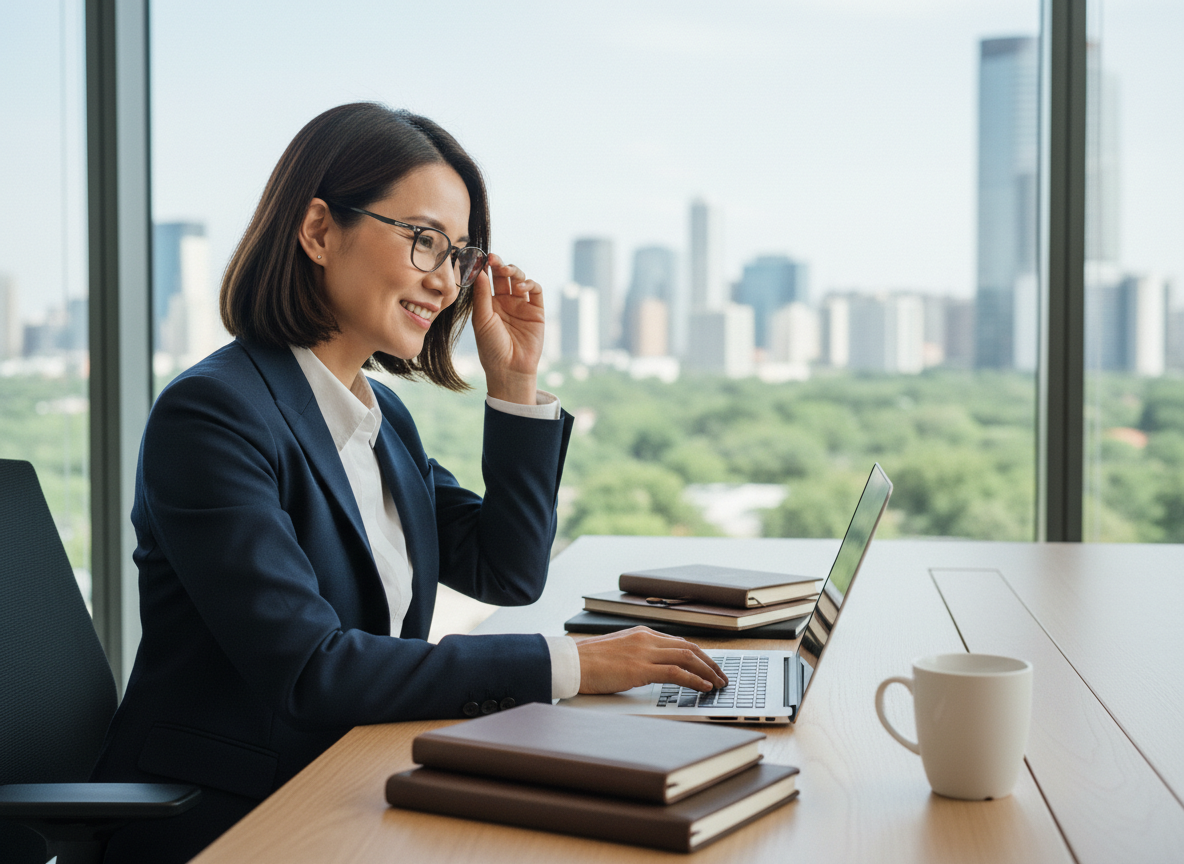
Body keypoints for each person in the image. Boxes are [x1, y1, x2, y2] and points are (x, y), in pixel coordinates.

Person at [90, 103, 727, 863]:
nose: (447, 280)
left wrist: (515, 382)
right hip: (235, 816)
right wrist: (574, 663)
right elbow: (311, 668)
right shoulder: (215, 415)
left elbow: (507, 570)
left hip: (358, 778)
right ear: (320, 230)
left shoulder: (378, 414)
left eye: (460, 255)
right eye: (425, 241)